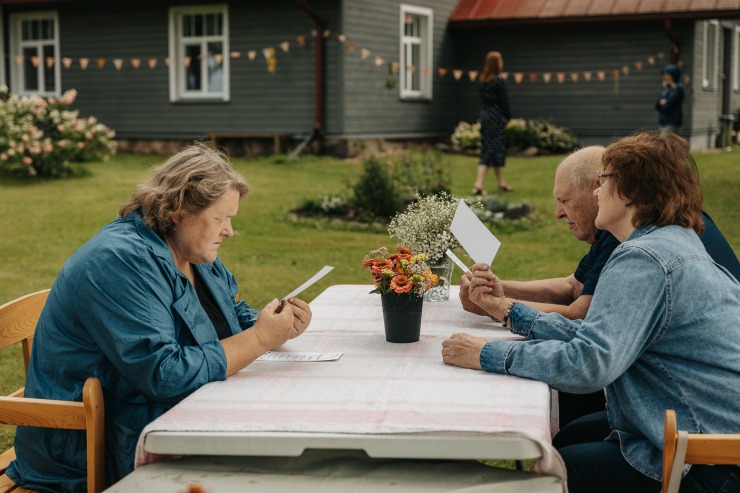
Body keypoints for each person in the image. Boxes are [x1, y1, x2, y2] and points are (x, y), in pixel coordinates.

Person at [442, 130, 740, 493]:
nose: (597, 192)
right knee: (567, 440)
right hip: (693, 430)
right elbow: (595, 335)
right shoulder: (668, 241)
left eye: (603, 182)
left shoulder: (644, 259)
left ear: (629, 192)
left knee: (551, 475)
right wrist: (506, 311)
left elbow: (588, 364)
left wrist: (485, 354)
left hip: (704, 459)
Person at [6, 144, 313, 491]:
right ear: (179, 212)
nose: (229, 231)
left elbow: (228, 314)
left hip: (152, 418)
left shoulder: (190, 250)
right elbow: (163, 373)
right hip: (92, 448)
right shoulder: (120, 262)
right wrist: (258, 339)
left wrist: (273, 322)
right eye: (220, 218)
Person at [473, 51, 513, 195]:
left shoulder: (483, 80)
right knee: (490, 151)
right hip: (496, 117)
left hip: (484, 116)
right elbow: (504, 102)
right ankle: (478, 184)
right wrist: (508, 117)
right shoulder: (499, 81)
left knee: (492, 149)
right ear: (497, 63)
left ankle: (501, 183)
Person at [655, 64, 684, 133]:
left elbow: (668, 106)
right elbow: (657, 105)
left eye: (667, 75)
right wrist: (661, 102)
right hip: (663, 122)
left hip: (672, 123)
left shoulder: (678, 88)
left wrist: (664, 103)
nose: (664, 77)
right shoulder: (667, 89)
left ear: (673, 75)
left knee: (665, 142)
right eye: (664, 75)